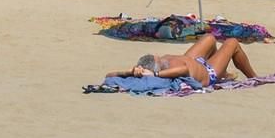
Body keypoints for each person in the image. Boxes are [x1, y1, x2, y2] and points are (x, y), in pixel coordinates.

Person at [108, 33, 259, 89]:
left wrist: (127, 71)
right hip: (208, 72)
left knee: (209, 38)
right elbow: (184, 70)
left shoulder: (161, 62)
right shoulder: (166, 70)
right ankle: (254, 77)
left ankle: (224, 73)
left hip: (194, 60)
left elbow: (110, 75)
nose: (159, 57)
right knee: (232, 43)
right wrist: (155, 74)